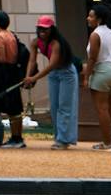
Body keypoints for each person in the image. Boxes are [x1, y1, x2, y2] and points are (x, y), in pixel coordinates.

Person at [23, 15, 81, 148]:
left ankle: (64, 139)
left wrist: (34, 78)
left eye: (46, 29)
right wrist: (28, 76)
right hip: (54, 74)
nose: (42, 32)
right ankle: (59, 137)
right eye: (40, 29)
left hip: (66, 73)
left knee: (65, 106)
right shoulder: (35, 42)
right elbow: (32, 61)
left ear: (52, 29)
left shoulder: (56, 43)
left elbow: (52, 64)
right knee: (54, 107)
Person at [83, 6, 111, 149]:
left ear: (98, 19)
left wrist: (86, 76)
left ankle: (107, 142)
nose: (88, 18)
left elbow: (92, 58)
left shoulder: (95, 34)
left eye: (91, 16)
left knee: (102, 109)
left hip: (102, 71)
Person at [0, 10, 28, 148]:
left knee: (0, 106)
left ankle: (6, 138)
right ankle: (17, 137)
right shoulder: (11, 35)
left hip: (3, 74)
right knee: (15, 108)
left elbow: (1, 58)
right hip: (13, 73)